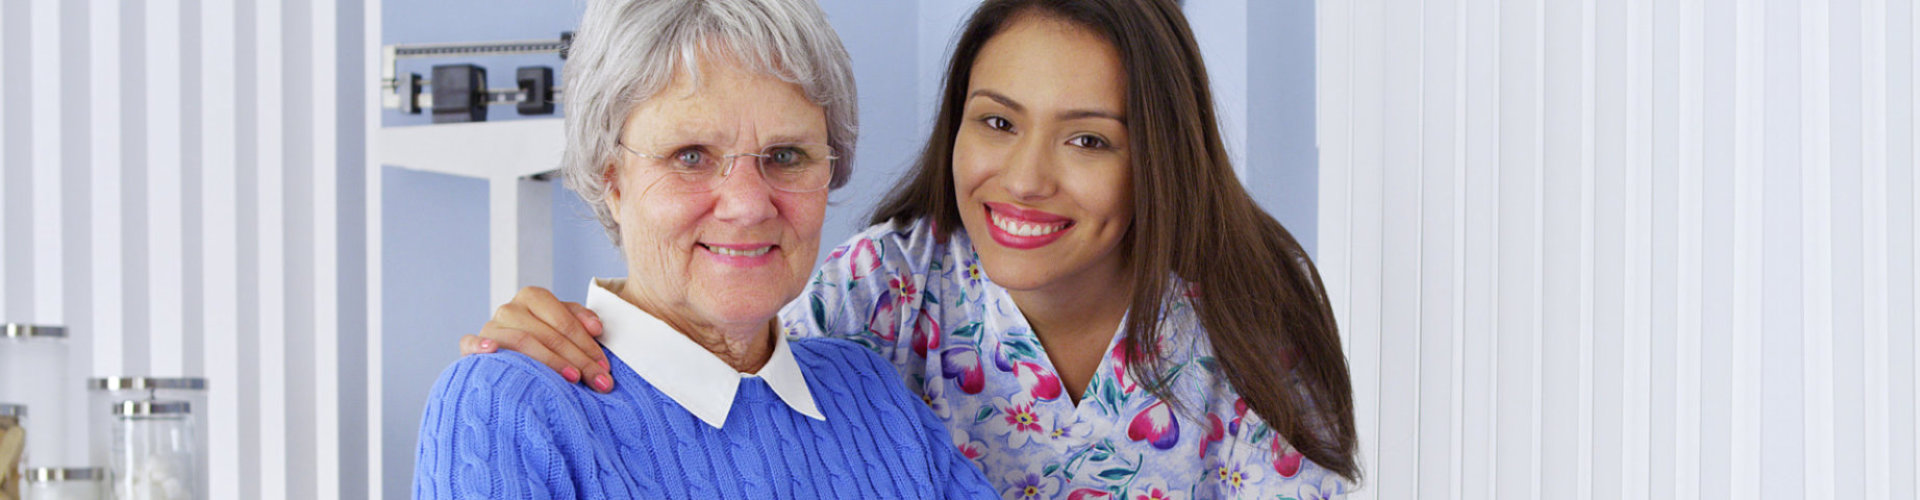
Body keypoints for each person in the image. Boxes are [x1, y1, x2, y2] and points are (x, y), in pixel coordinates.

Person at [465, 0, 1360, 497]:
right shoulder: (879, 299)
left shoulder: (1242, 322)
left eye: (1089, 139)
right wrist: (548, 334)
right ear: (610, 177)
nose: (1027, 179)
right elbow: (716, 340)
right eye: (997, 122)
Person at [412, 0, 995, 498]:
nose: (747, 204)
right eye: (690, 155)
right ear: (610, 178)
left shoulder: (873, 395)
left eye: (786, 155)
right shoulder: (511, 408)